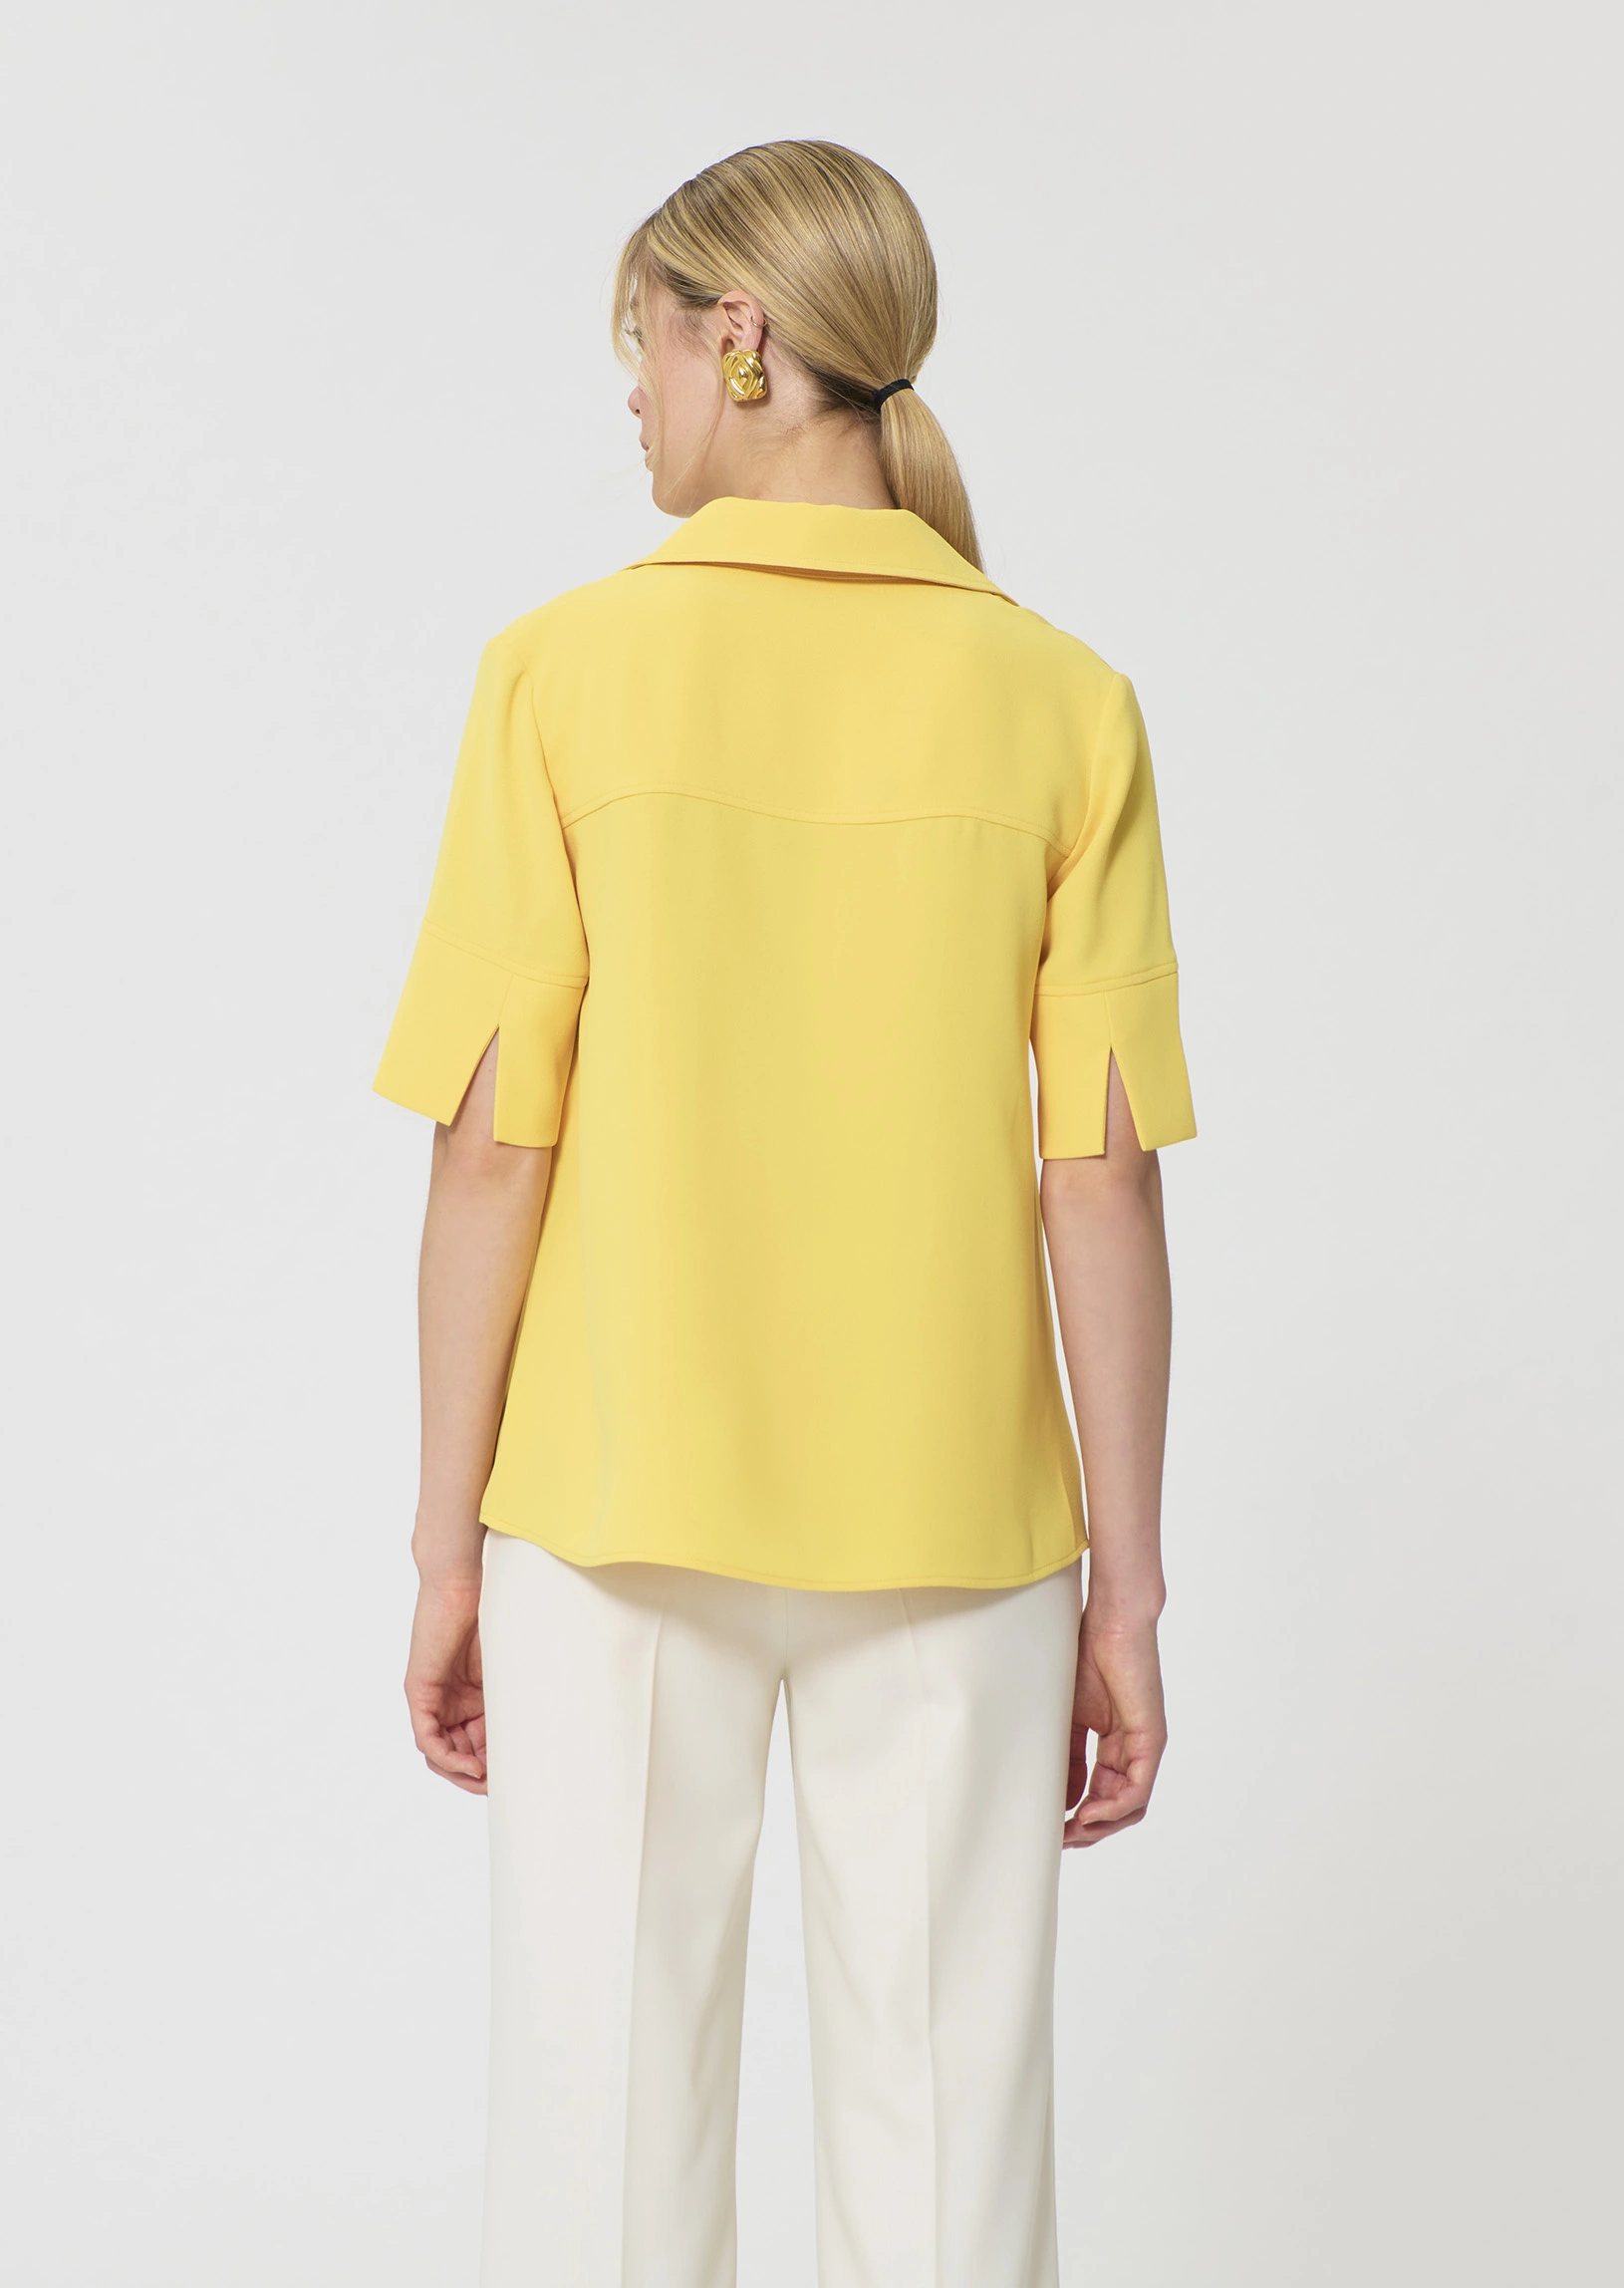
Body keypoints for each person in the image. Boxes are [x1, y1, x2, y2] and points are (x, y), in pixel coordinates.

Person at [375, 138, 1196, 2288]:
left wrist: (445, 1546)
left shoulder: (558, 674)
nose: (631, 396)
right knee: (947, 2165)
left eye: (639, 344)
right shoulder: (1063, 700)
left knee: (599, 2155)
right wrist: (1124, 1589)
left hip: (612, 1512)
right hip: (960, 1528)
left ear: (733, 337)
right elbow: (1099, 1169)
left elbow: (491, 1147)